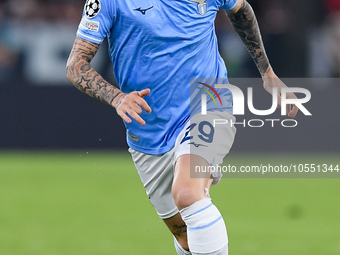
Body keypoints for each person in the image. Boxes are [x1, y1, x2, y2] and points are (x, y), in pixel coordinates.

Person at [66, 0, 298, 254]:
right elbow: (76, 64)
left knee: (188, 193)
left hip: (209, 104)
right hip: (148, 130)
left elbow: (241, 10)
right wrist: (117, 97)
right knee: (186, 236)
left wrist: (268, 73)